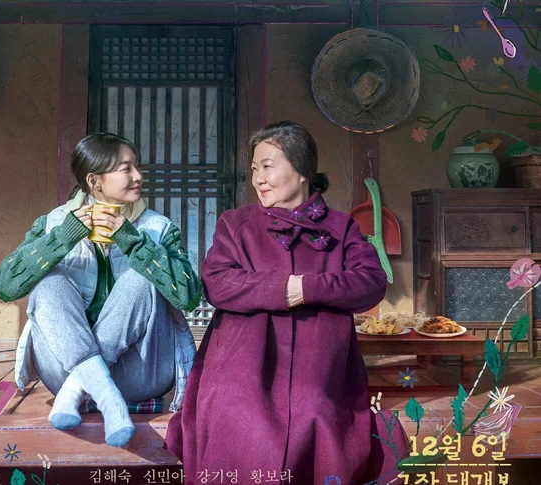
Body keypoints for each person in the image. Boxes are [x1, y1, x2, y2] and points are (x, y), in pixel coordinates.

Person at [164, 121, 408, 484]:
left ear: (302, 170)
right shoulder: (235, 224)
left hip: (317, 362)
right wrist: (281, 288)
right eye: (254, 169)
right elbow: (217, 283)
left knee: (316, 413)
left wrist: (305, 288)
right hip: (243, 359)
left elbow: (370, 283)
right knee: (236, 414)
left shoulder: (341, 228)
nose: (258, 179)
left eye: (268, 166)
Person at [0, 133, 201, 447]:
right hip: (63, 369)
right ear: (94, 181)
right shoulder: (54, 223)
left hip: (140, 373)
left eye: (137, 167)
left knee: (140, 278)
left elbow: (189, 296)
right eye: (126, 169)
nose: (138, 176)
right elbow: (6, 286)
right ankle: (105, 394)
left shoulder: (158, 228)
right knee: (49, 283)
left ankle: (79, 391)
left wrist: (134, 242)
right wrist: (63, 237)